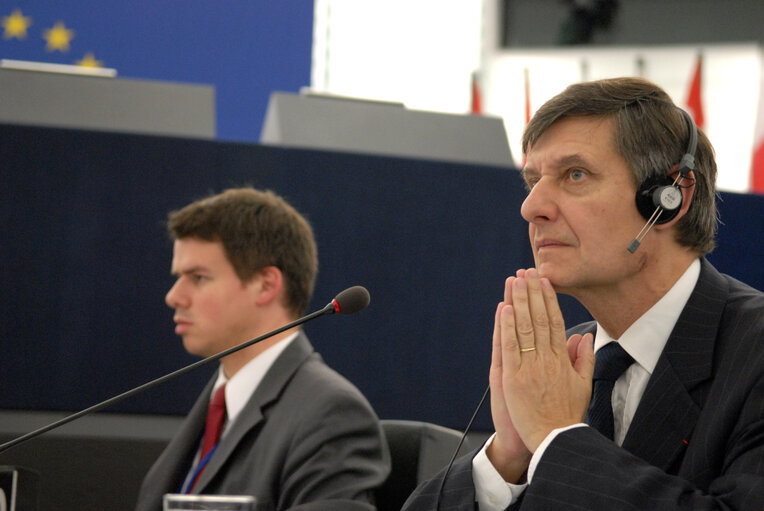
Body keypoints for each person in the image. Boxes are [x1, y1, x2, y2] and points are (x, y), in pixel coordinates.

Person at [403, 77, 764, 510]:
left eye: (575, 174)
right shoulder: (563, 359)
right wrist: (508, 457)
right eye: (533, 179)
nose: (531, 206)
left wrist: (558, 439)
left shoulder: (754, 351)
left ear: (668, 200)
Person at [135, 187, 390, 511]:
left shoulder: (331, 415)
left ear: (266, 285)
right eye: (178, 277)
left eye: (198, 277)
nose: (174, 296)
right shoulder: (216, 406)